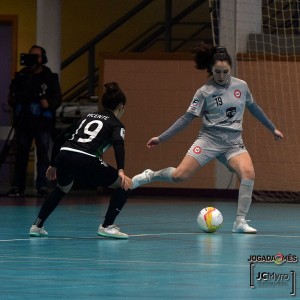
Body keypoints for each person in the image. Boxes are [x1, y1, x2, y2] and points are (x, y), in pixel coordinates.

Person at [131, 44, 284, 234]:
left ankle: (240, 221)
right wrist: (161, 138)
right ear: (211, 69)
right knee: (180, 176)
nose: (221, 76)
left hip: (233, 143)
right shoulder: (204, 92)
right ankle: (150, 175)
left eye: (225, 72)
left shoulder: (241, 86)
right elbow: (186, 118)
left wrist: (272, 128)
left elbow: (254, 108)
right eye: (217, 72)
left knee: (248, 173)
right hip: (208, 140)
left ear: (231, 68)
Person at [29, 82, 132, 239]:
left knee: (62, 188)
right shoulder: (116, 124)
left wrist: (53, 164)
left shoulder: (87, 117)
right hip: (85, 158)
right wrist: (121, 170)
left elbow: (59, 137)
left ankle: (37, 225)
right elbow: (119, 145)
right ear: (121, 106)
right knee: (124, 186)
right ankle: (107, 226)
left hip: (65, 154)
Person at [8, 45, 62, 197]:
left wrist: (48, 104)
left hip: (42, 122)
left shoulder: (50, 77)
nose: (33, 59)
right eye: (30, 55)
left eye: (36, 56)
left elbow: (57, 99)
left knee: (43, 154)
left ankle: (43, 186)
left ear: (42, 58)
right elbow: (13, 96)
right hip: (24, 121)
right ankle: (18, 186)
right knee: (21, 154)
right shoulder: (22, 76)